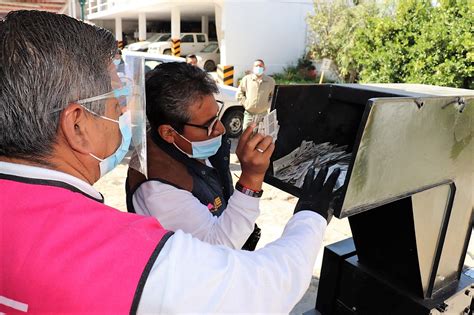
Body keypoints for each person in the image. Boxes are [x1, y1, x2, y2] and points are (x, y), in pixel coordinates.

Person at [0, 10, 340, 313]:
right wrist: (310, 214)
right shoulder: (127, 255)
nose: (124, 113)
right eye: (116, 103)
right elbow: (264, 289)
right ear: (76, 125)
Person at [126, 62, 267, 250]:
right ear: (169, 133)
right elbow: (217, 247)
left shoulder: (188, 144)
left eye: (217, 116)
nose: (221, 129)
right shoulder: (158, 188)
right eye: (208, 125)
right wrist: (252, 177)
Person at [236, 59, 276, 130]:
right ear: (253, 68)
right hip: (249, 114)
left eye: (260, 66)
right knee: (246, 135)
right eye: (256, 66)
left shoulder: (270, 81)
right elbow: (239, 93)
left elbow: (274, 96)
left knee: (260, 136)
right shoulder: (246, 79)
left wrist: (268, 106)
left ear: (264, 68)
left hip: (263, 115)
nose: (258, 68)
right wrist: (246, 103)